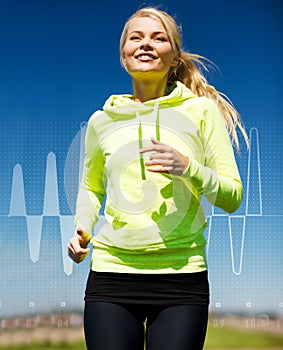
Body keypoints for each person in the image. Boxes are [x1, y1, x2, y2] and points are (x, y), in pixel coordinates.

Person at [68, 6, 249, 350]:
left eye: (158, 37)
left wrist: (188, 167)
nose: (146, 44)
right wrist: (82, 230)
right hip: (111, 276)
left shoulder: (200, 112)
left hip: (182, 279)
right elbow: (91, 189)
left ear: (175, 56)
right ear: (123, 53)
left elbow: (232, 196)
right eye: (136, 37)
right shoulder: (100, 122)